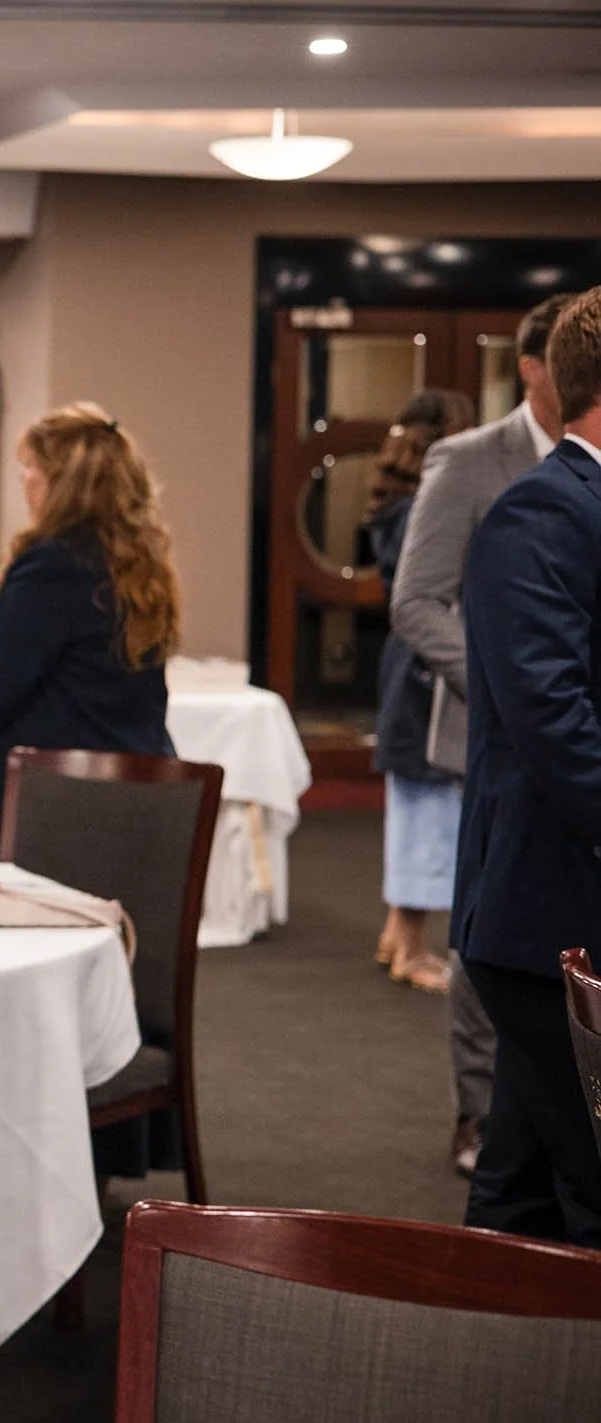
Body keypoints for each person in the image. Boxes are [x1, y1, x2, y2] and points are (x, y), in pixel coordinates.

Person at [390, 292, 574, 1177]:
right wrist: (498, 678)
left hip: (562, 736)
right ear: (533, 369)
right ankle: (477, 1108)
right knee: (489, 925)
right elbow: (416, 600)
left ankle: (522, 1131)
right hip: (484, 726)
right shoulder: (469, 460)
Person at [452, 283, 601, 1247]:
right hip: (551, 914)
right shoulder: (538, 516)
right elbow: (555, 721)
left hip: (561, 913)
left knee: (523, 1180)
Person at [0, 403, 179, 862]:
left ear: (62, 484)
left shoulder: (54, 564)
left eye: (31, 468)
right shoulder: (136, 561)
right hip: (129, 783)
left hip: (51, 799)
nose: (24, 480)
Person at [364, 390, 475, 997]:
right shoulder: (423, 510)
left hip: (407, 669)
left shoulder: (395, 506)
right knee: (427, 815)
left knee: (414, 807)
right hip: (425, 675)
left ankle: (393, 935)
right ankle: (411, 948)